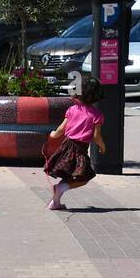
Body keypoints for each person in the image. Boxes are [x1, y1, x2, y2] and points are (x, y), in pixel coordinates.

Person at [43, 76, 105, 211]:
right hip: (79, 149)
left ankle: (55, 202)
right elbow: (96, 136)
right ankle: (61, 188)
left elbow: (61, 128)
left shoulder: (72, 110)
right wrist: (102, 146)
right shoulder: (97, 115)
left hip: (66, 146)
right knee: (84, 176)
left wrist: (53, 135)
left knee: (69, 174)